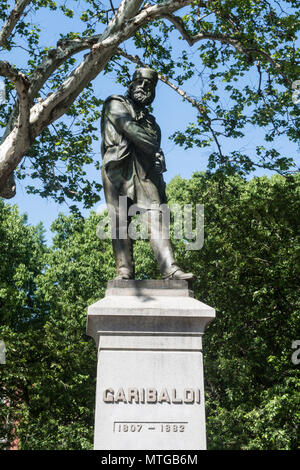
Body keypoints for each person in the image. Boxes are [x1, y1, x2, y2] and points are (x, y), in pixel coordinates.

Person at [100, 67, 195, 281]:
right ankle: (124, 272)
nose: (143, 88)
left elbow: (152, 145)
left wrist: (158, 158)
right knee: (120, 222)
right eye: (140, 82)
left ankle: (171, 269)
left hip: (145, 173)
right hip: (118, 170)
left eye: (149, 86)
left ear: (153, 93)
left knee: (156, 217)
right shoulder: (115, 103)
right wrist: (151, 146)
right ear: (131, 84)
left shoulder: (153, 122)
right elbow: (131, 129)